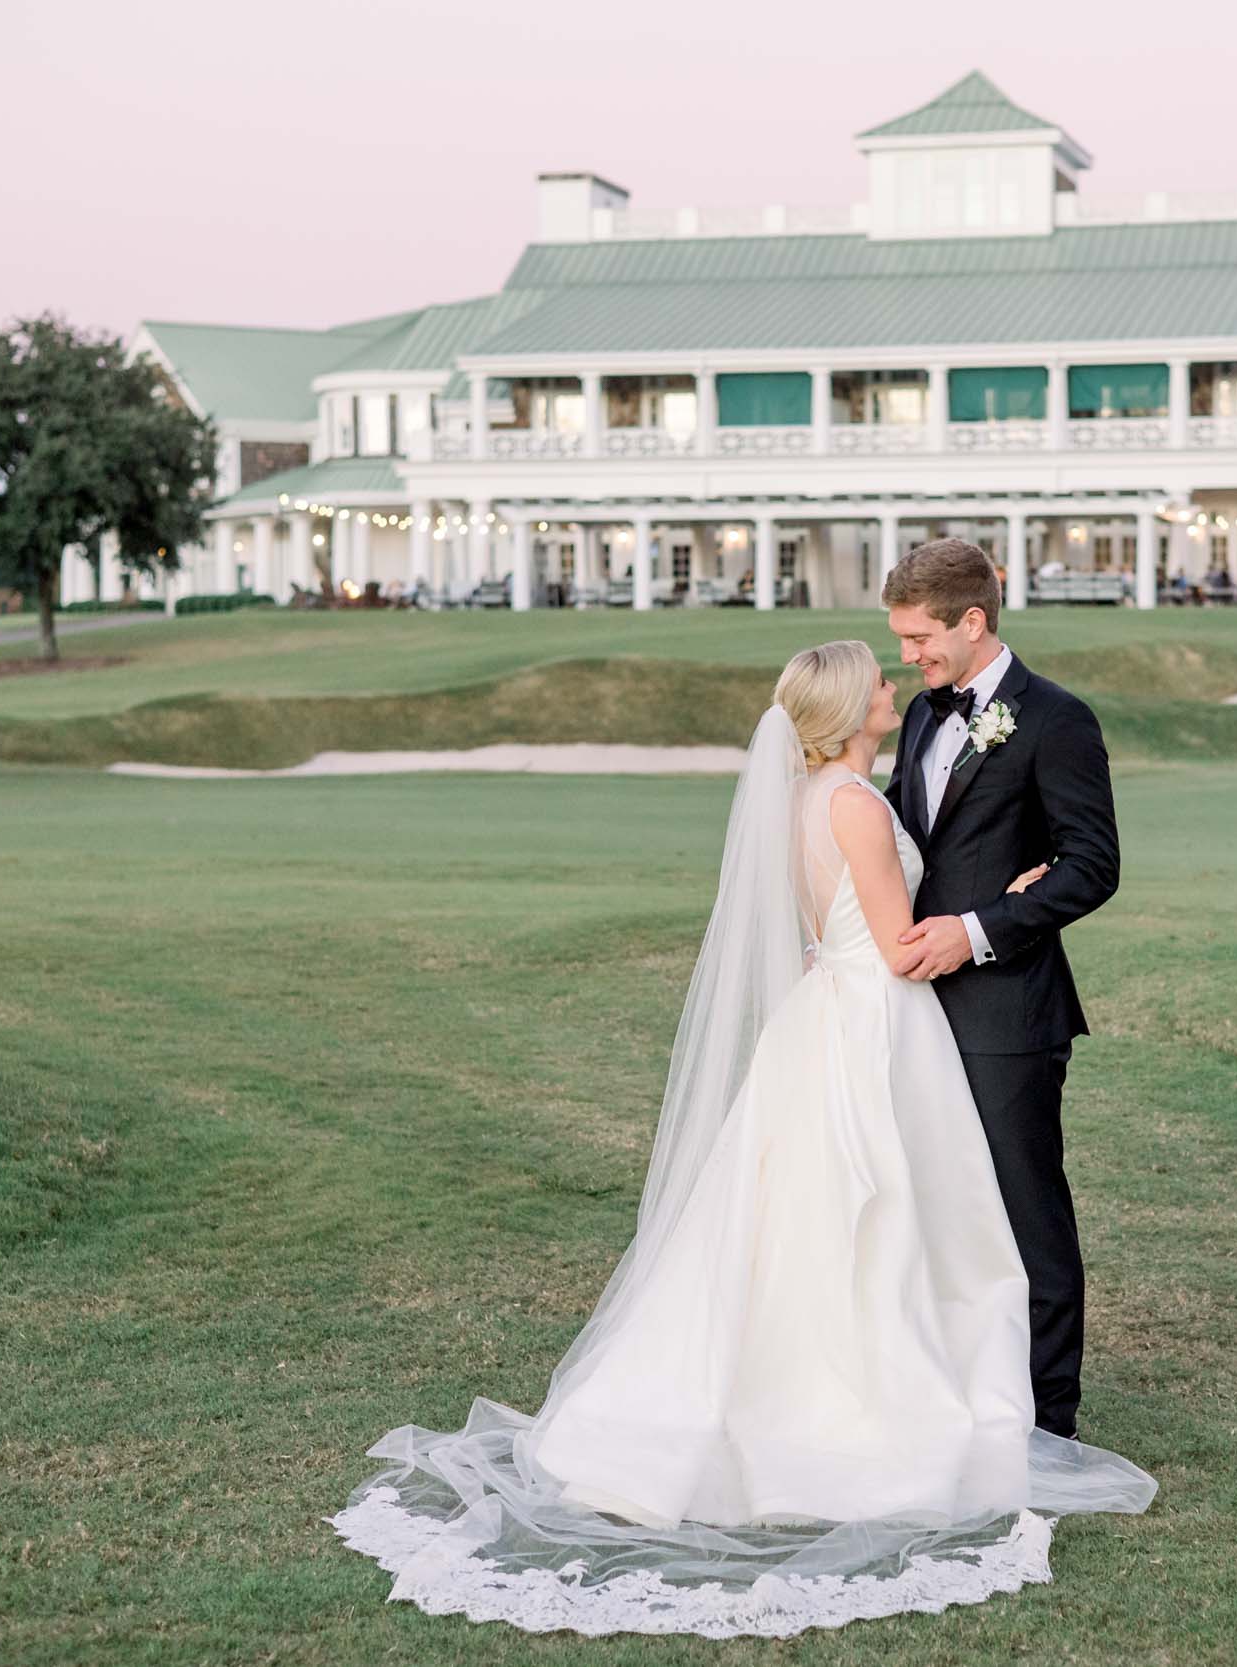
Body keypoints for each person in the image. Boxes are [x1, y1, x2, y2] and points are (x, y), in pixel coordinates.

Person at [324, 631, 1154, 1639]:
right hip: (872, 1019)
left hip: (825, 1014)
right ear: (849, 712)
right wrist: (1004, 903)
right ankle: (860, 1402)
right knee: (877, 1209)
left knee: (815, 1217)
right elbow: (897, 946)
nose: (895, 681)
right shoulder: (851, 804)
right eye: (878, 678)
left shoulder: (817, 799)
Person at [882, 539, 1120, 1450]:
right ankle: (958, 1386)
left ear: (971, 622)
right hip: (909, 1006)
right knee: (934, 1203)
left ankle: (1048, 1420)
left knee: (1026, 1209)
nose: (909, 656)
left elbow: (1093, 866)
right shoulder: (918, 715)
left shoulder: (1057, 719)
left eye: (919, 637)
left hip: (1006, 1008)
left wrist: (977, 930)